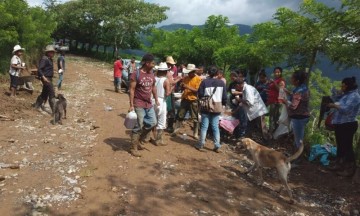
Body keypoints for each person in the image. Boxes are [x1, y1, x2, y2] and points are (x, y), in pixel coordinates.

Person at [327, 77, 360, 177]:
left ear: (348, 85)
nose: (342, 87)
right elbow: (336, 99)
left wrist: (334, 106)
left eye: (343, 85)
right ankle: (339, 164)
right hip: (340, 123)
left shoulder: (354, 96)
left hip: (348, 124)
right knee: (340, 146)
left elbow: (346, 110)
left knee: (347, 147)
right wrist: (338, 92)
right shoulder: (346, 94)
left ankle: (349, 169)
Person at [129, 53, 159, 157]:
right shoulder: (136, 74)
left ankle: (139, 140)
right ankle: (133, 148)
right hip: (138, 103)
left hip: (148, 103)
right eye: (152, 62)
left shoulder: (151, 73)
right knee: (138, 125)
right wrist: (131, 105)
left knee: (152, 122)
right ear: (147, 63)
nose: (154, 64)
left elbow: (153, 87)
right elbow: (132, 90)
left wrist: (156, 99)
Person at [195, 66, 227, 152]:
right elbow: (224, 97)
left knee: (204, 126)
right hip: (217, 106)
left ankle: (201, 144)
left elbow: (200, 94)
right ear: (217, 73)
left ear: (208, 73)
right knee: (215, 126)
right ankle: (217, 145)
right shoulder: (221, 83)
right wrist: (223, 105)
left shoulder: (204, 82)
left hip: (206, 106)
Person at [172, 64, 202, 138]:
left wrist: (187, 86)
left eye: (190, 72)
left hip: (193, 100)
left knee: (194, 117)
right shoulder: (186, 78)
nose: (189, 73)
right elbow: (182, 88)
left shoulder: (198, 79)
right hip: (185, 98)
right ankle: (176, 130)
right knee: (180, 115)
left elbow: (197, 90)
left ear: (193, 71)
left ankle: (195, 133)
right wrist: (182, 86)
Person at [284, 71, 310, 152]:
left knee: (298, 140)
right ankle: (298, 155)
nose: (291, 79)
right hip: (302, 116)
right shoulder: (303, 88)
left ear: (297, 81)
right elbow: (297, 98)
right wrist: (289, 93)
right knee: (298, 138)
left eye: (292, 78)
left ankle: (298, 158)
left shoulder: (299, 91)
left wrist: (285, 101)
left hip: (299, 117)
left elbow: (293, 106)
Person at [33, 45, 57, 114]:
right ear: (48, 52)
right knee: (51, 93)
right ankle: (54, 111)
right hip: (46, 78)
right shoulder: (44, 59)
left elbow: (47, 69)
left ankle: (37, 105)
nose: (53, 53)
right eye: (51, 52)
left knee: (45, 93)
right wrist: (43, 77)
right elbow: (39, 69)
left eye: (53, 52)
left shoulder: (49, 59)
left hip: (49, 78)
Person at [151, 62, 171, 145]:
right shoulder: (165, 80)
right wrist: (171, 89)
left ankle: (150, 136)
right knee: (161, 121)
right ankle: (158, 140)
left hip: (152, 99)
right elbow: (167, 93)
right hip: (161, 100)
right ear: (166, 71)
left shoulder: (154, 78)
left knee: (153, 119)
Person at [165, 56, 182, 132]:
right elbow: (171, 82)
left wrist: (175, 79)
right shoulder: (167, 72)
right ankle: (169, 126)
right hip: (168, 91)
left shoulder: (172, 69)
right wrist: (178, 79)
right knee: (171, 109)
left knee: (169, 109)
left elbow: (172, 80)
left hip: (168, 91)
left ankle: (168, 125)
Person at [267, 66, 286, 133]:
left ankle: (275, 132)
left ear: (280, 73)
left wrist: (274, 83)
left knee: (276, 118)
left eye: (278, 72)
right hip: (272, 100)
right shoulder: (275, 80)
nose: (276, 73)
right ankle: (271, 131)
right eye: (275, 72)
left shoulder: (281, 81)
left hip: (277, 101)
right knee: (271, 117)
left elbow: (280, 90)